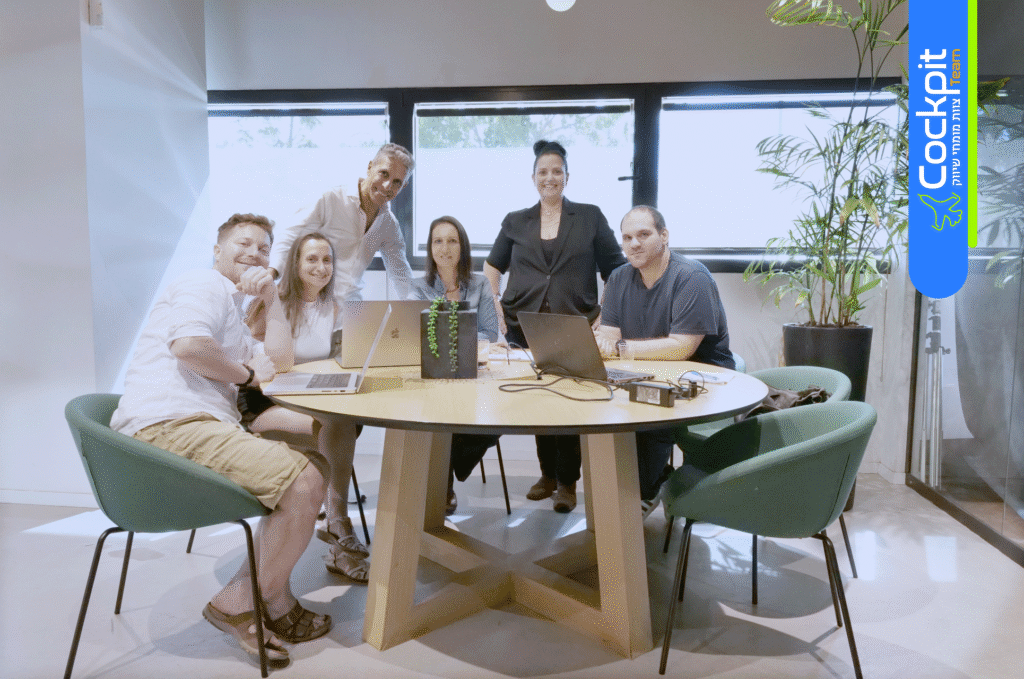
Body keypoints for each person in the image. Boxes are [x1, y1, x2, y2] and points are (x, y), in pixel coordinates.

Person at [110, 214, 331, 666]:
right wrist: (247, 375)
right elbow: (189, 347)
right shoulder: (203, 284)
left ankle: (265, 597)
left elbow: (281, 360)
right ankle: (245, 603)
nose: (254, 253)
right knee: (305, 480)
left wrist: (271, 299)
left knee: (317, 465)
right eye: (243, 243)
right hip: (171, 425)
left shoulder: (233, 310)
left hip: (198, 425)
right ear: (217, 251)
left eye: (263, 249)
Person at [483, 140, 627, 513]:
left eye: (557, 171)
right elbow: (492, 266)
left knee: (570, 401)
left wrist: (606, 315)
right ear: (533, 178)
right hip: (524, 324)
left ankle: (567, 482)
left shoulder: (589, 217)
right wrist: (495, 304)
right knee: (538, 400)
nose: (550, 177)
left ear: (567, 177)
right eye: (543, 172)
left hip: (574, 322)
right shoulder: (516, 220)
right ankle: (547, 475)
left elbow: (617, 270)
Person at [242, 232, 369, 583]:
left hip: (312, 403)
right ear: (295, 264)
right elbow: (249, 363)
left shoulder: (335, 308)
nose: (321, 267)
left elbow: (337, 359)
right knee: (334, 427)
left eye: (327, 260)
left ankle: (336, 527)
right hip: (265, 406)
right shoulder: (272, 305)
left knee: (341, 422)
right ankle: (338, 527)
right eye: (311, 259)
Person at [595, 205, 734, 517]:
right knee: (596, 409)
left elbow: (681, 347)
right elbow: (608, 335)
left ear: (664, 235)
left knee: (650, 419)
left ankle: (642, 493)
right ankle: (628, 492)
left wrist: (619, 348)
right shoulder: (618, 278)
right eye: (627, 238)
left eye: (644, 234)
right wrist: (600, 344)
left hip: (701, 378)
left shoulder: (692, 277)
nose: (634, 244)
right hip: (647, 373)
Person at [409, 216, 500, 514]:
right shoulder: (418, 287)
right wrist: (461, 335)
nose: (444, 248)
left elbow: (490, 332)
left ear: (463, 247)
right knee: (438, 412)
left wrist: (453, 337)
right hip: (433, 375)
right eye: (438, 241)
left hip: (473, 372)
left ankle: (450, 466)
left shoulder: (480, 283)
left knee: (498, 418)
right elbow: (413, 332)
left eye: (452, 241)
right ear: (430, 248)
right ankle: (442, 483)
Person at [269, 143, 416, 314]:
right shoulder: (330, 198)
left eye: (397, 182)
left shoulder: (389, 225)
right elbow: (289, 235)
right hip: (307, 303)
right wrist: (271, 274)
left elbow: (401, 272)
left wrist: (419, 309)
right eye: (384, 174)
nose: (387, 185)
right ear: (370, 167)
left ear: (404, 186)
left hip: (350, 309)